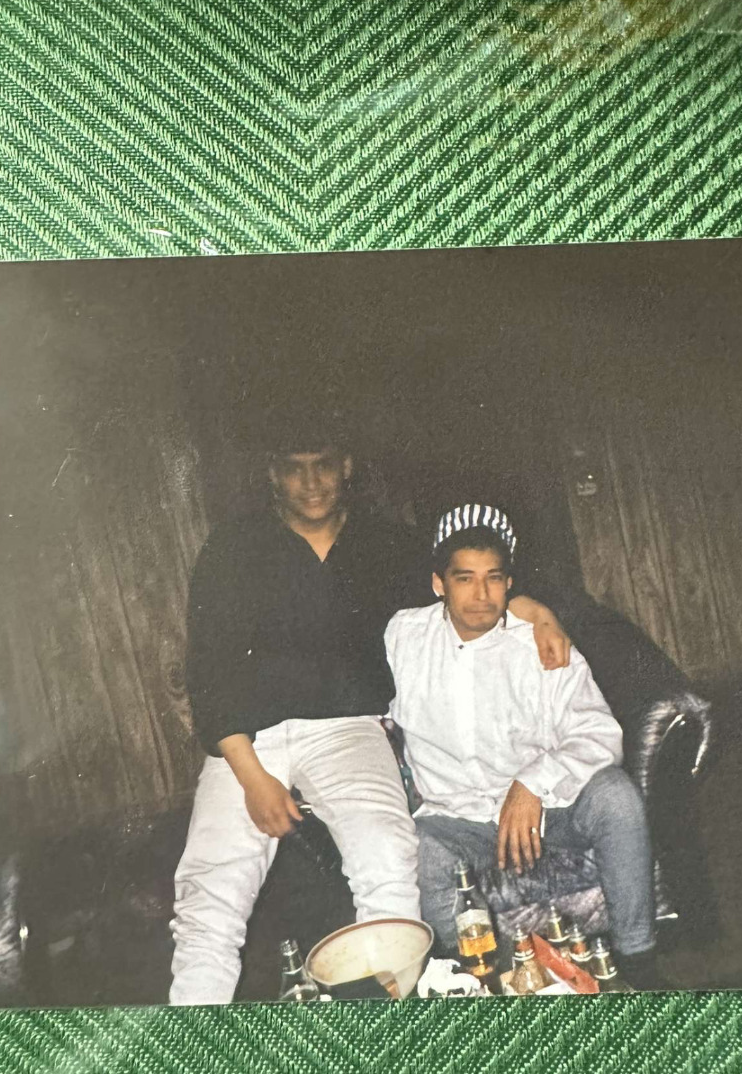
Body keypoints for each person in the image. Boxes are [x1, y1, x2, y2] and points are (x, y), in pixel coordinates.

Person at [169, 427, 570, 1005]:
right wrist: (253, 777)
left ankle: (393, 1019)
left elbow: (466, 593)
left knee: (388, 856)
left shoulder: (386, 544)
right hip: (247, 741)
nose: (311, 482)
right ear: (273, 473)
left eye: (324, 464)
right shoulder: (234, 546)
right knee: (211, 898)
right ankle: (193, 1028)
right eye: (295, 466)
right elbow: (209, 667)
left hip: (348, 728)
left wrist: (541, 614)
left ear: (347, 467)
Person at [383, 504, 659, 989]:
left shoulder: (542, 644)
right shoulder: (403, 638)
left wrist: (532, 783)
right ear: (438, 584)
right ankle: (481, 985)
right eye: (464, 579)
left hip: (549, 813)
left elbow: (599, 732)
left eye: (493, 579)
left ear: (510, 584)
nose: (481, 595)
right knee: (418, 850)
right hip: (455, 821)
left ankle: (638, 962)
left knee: (616, 797)